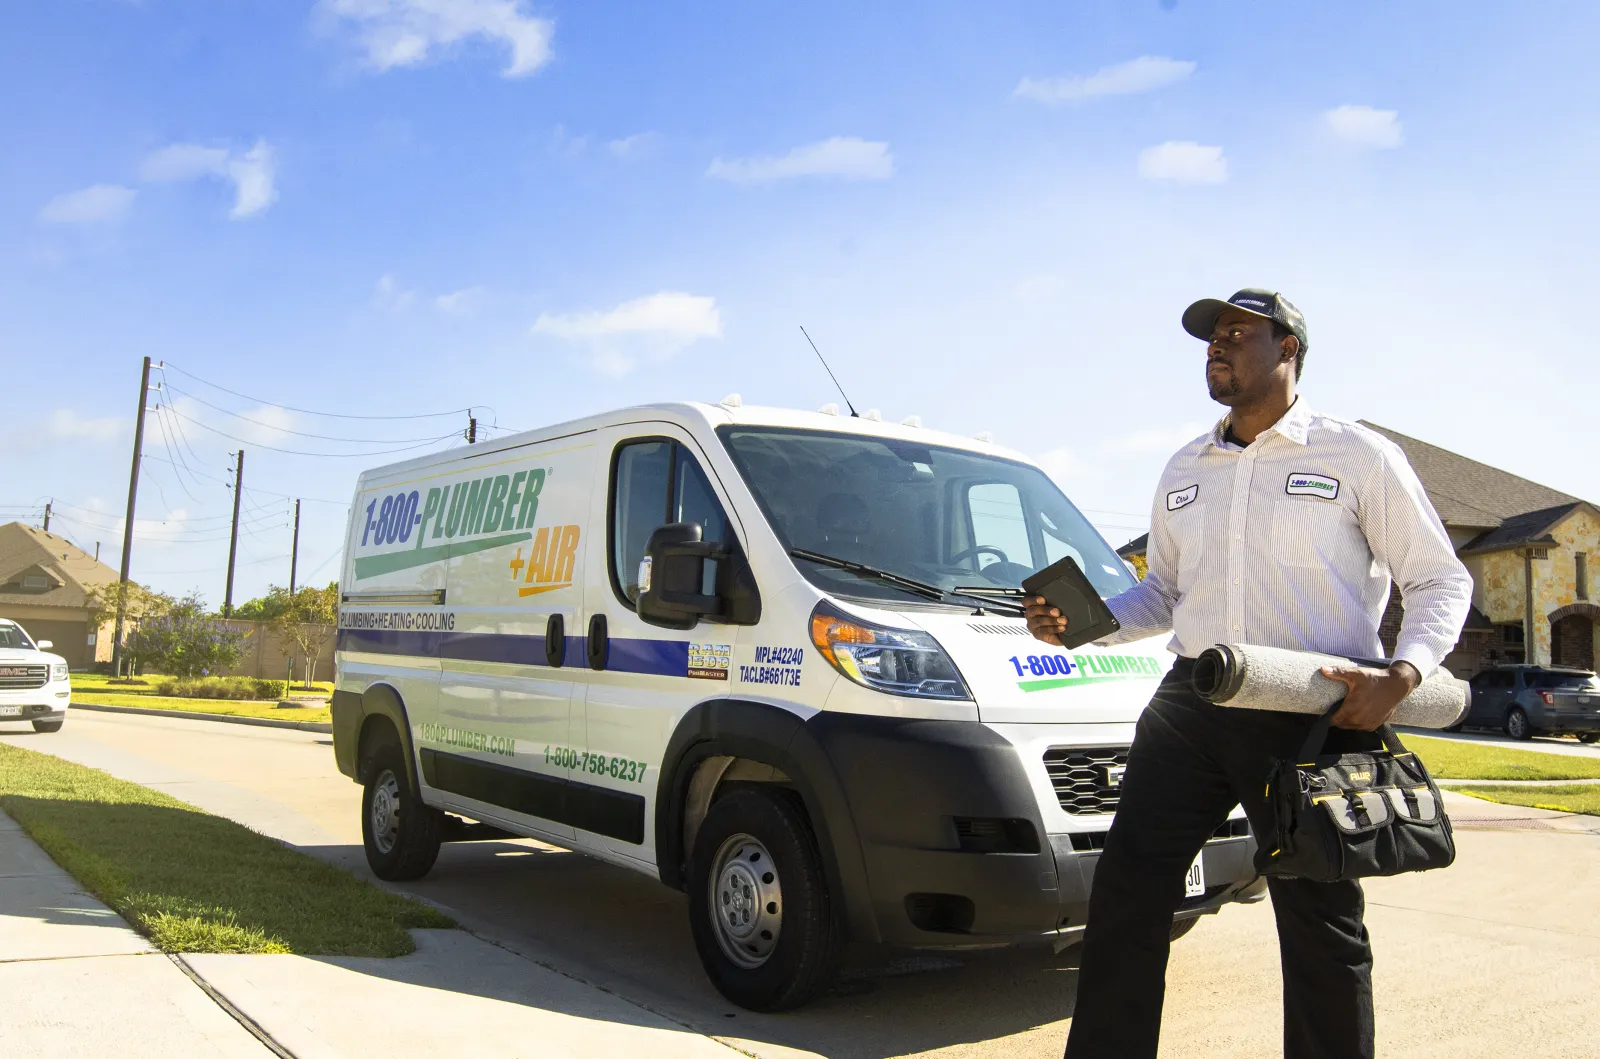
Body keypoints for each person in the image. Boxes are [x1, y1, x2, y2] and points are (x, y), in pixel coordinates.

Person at [1026, 289, 1472, 1059]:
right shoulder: (1184, 467)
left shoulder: (1356, 455)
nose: (1216, 347)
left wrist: (1402, 673)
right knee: (1129, 894)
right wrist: (1085, 623)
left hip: (1313, 710)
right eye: (1210, 338)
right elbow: (1163, 593)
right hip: (1191, 702)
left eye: (1237, 333)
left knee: (1319, 919)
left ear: (1288, 348)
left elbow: (1439, 578)